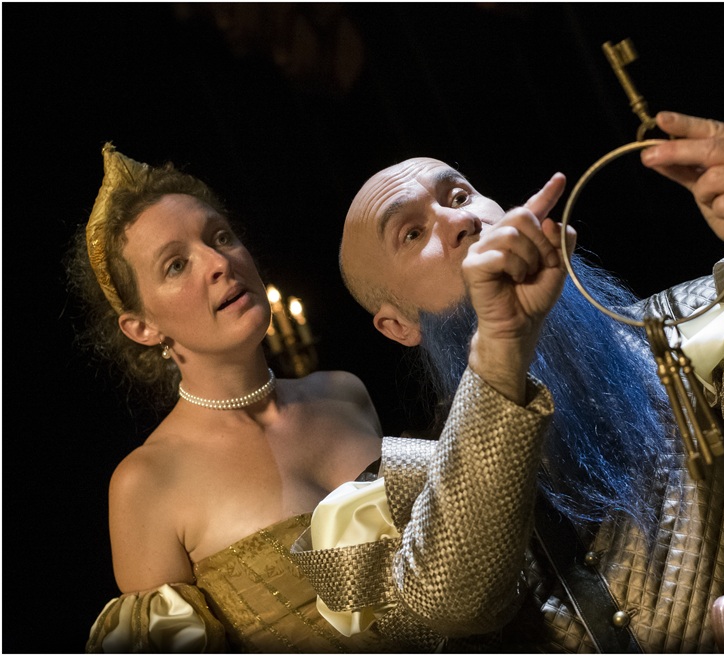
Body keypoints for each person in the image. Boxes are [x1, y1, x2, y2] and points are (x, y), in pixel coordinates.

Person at [297, 110, 724, 651]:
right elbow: (454, 606)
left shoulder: (676, 335)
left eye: (458, 196)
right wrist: (502, 350)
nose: (455, 223)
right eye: (411, 232)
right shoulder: (418, 484)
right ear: (397, 326)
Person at [76, 144, 571, 652]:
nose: (218, 262)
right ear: (141, 326)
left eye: (220, 237)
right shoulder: (145, 484)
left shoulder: (344, 393)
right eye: (176, 265)